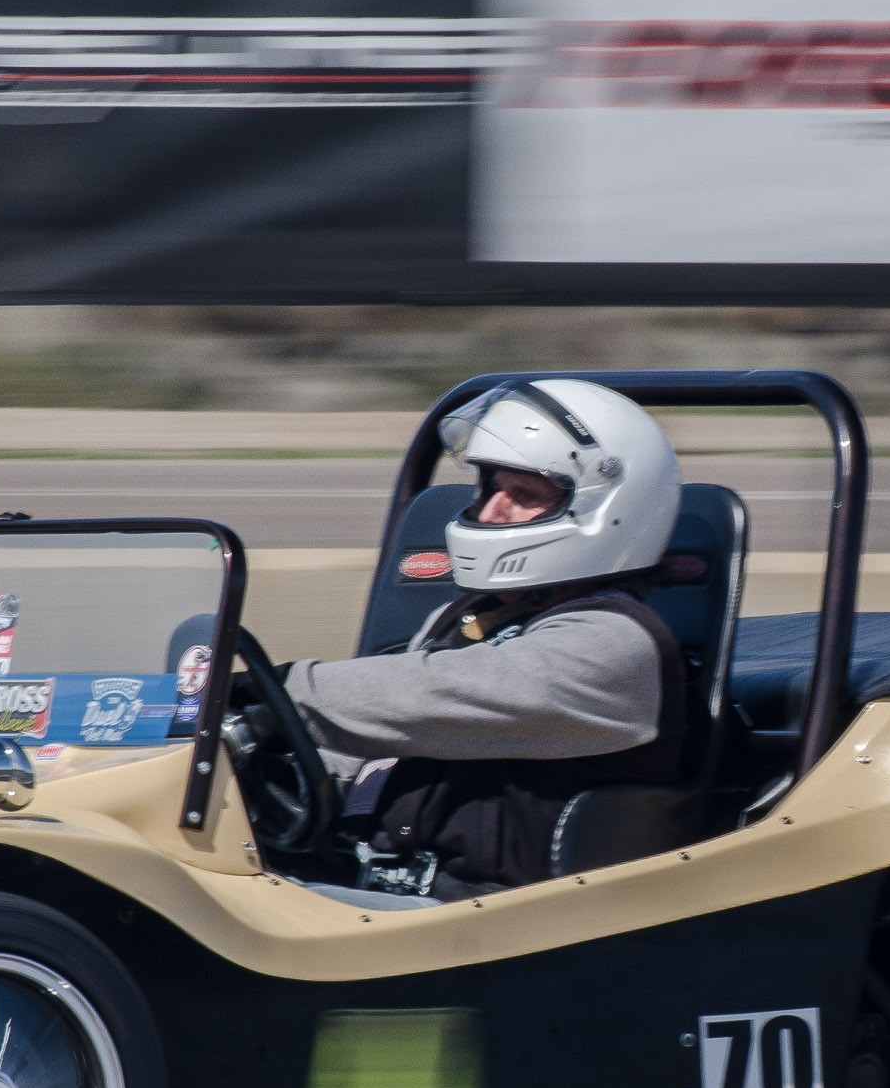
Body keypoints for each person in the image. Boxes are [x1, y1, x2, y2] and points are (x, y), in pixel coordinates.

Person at [283, 378, 691, 898]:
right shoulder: (469, 616)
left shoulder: (616, 643)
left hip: (503, 918)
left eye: (525, 496)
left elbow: (431, 695)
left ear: (607, 512)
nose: (492, 512)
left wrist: (283, 689)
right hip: (382, 887)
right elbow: (381, 744)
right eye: (491, 489)